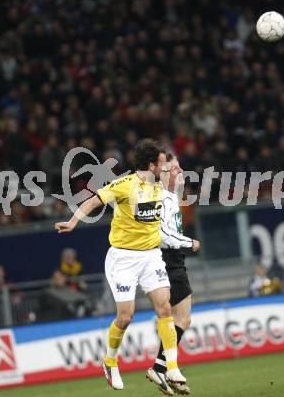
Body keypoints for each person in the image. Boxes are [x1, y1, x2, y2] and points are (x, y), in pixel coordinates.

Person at [55, 139, 187, 391]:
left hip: (150, 256)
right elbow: (94, 201)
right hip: (123, 258)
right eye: (162, 163)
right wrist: (73, 222)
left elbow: (175, 183)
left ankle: (172, 367)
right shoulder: (125, 186)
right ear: (151, 165)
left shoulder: (160, 187)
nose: (166, 167)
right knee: (125, 317)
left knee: (165, 308)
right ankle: (110, 361)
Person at [146, 153, 200, 395]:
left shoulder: (171, 197)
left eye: (180, 167)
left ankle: (161, 367)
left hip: (173, 260)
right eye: (175, 168)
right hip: (169, 261)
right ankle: (163, 368)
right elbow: (163, 235)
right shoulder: (165, 198)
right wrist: (189, 241)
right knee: (182, 319)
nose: (181, 171)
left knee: (181, 319)